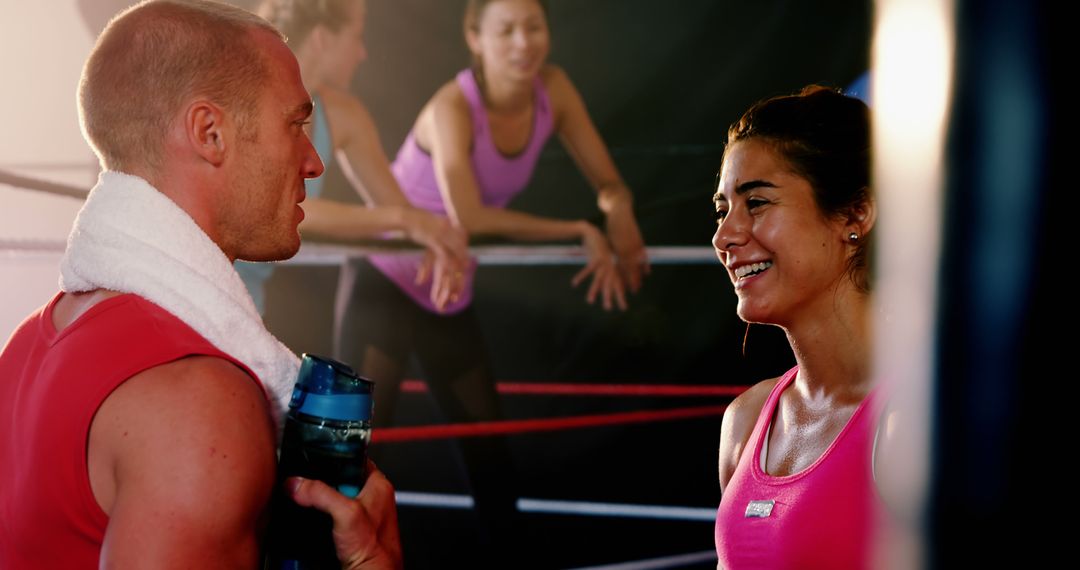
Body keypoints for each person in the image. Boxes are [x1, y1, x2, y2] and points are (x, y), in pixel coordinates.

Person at [0, 2, 400, 568]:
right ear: (210, 132)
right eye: (295, 124)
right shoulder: (200, 404)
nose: (314, 162)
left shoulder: (28, 343)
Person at [330, 0, 649, 562]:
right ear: (475, 39)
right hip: (384, 280)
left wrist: (617, 208)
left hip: (449, 287)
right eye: (506, 31)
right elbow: (469, 217)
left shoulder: (555, 89)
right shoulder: (455, 105)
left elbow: (609, 183)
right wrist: (577, 228)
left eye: (533, 27)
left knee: (490, 456)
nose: (523, 43)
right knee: (352, 458)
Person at [712, 86, 881, 569]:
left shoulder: (920, 415)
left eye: (757, 202)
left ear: (855, 214)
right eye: (722, 210)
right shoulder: (746, 421)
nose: (724, 236)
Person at [240, 0, 467, 316]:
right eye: (356, 36)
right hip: (191, 291)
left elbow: (401, 213)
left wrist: (437, 241)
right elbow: (273, 205)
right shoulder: (245, 96)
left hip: (246, 305)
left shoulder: (343, 115)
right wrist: (405, 221)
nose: (362, 53)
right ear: (322, 38)